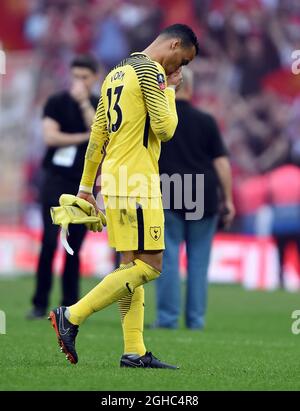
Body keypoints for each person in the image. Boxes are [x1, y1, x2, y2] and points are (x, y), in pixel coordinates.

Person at [48, 24, 199, 369]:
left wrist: (86, 188)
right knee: (151, 265)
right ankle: (71, 315)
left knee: (130, 266)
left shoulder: (116, 72)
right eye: (184, 59)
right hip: (137, 182)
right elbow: (166, 128)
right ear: (174, 44)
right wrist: (172, 91)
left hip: (113, 181)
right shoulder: (152, 71)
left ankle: (134, 351)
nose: (180, 68)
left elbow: (97, 136)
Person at [152, 67, 235, 330]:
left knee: (169, 259)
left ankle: (167, 319)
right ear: (192, 87)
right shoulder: (206, 121)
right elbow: (221, 164)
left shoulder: (159, 120)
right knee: (199, 263)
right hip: (204, 195)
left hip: (170, 193)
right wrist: (229, 199)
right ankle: (196, 321)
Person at [27, 55, 99, 319]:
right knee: (48, 242)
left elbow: (100, 132)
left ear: (94, 78)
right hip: (56, 180)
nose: (79, 82)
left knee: (74, 247)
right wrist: (83, 138)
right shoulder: (56, 102)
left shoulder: (97, 104)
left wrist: (83, 103)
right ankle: (39, 303)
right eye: (76, 76)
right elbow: (50, 136)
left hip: (83, 183)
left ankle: (70, 306)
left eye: (84, 77)